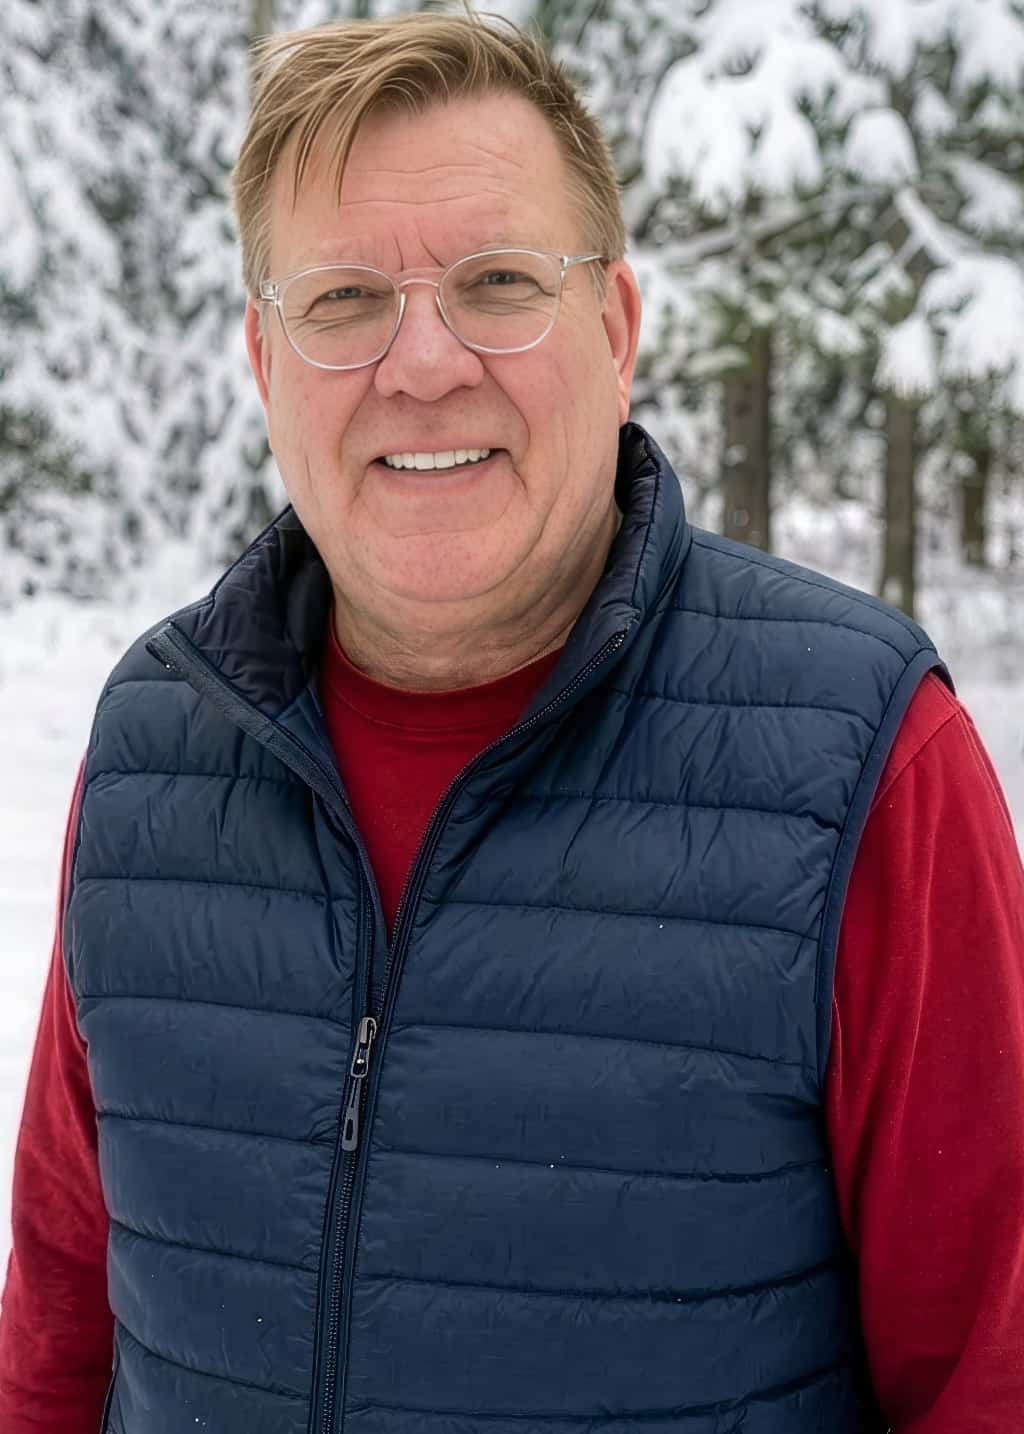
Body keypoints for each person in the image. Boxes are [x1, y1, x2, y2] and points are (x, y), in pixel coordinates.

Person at [1, 12, 1022, 1433]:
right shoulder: (157, 748)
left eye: (498, 283)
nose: (423, 364)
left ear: (616, 329)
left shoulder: (863, 763)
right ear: (264, 359)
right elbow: (57, 1334)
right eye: (344, 298)